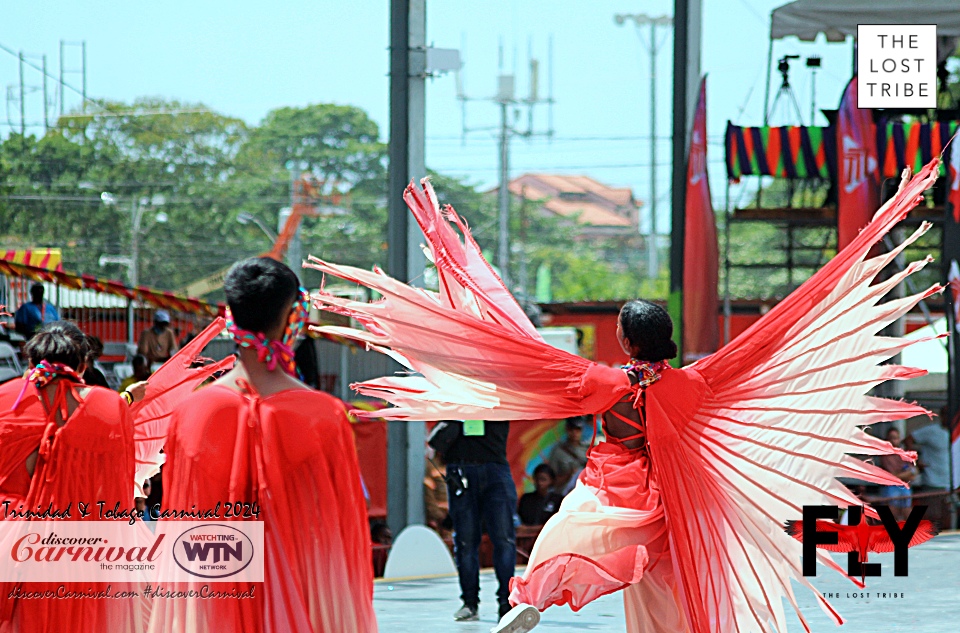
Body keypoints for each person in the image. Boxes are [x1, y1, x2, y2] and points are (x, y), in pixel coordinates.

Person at [309, 168, 939, 633]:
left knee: (566, 533)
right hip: (681, 505)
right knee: (664, 597)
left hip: (613, 494)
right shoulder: (693, 382)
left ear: (625, 338)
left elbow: (524, 358)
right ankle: (545, 601)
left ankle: (530, 597)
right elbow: (767, 346)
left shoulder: (604, 381)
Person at [148, 257, 377, 633]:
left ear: (231, 317)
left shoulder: (190, 412)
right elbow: (342, 540)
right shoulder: (324, 416)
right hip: (301, 603)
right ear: (293, 319)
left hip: (215, 602)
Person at [0, 321, 144, 631]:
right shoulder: (108, 405)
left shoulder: (5, 400)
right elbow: (115, 497)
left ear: (30, 361)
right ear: (83, 364)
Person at [441, 420, 517, 623]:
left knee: (503, 539)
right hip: (461, 468)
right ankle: (469, 602)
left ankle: (507, 602)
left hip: (494, 466)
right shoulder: (453, 395)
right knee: (465, 541)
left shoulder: (497, 392)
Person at [908, 415, 950, 528]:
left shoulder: (955, 434)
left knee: (947, 518)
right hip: (933, 482)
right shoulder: (931, 431)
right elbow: (909, 439)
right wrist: (914, 461)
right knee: (931, 518)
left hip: (950, 484)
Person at [878, 427, 917, 522]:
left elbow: (914, 473)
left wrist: (905, 474)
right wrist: (906, 474)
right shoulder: (885, 455)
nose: (894, 440)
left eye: (896, 438)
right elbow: (892, 475)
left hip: (904, 487)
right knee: (893, 514)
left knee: (907, 511)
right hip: (890, 488)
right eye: (891, 438)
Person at [547, 417, 588, 494]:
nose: (574, 432)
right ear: (567, 429)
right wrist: (569, 475)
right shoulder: (558, 451)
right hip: (565, 493)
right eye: (571, 429)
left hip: (585, 492)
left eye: (578, 429)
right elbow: (552, 480)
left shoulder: (588, 449)